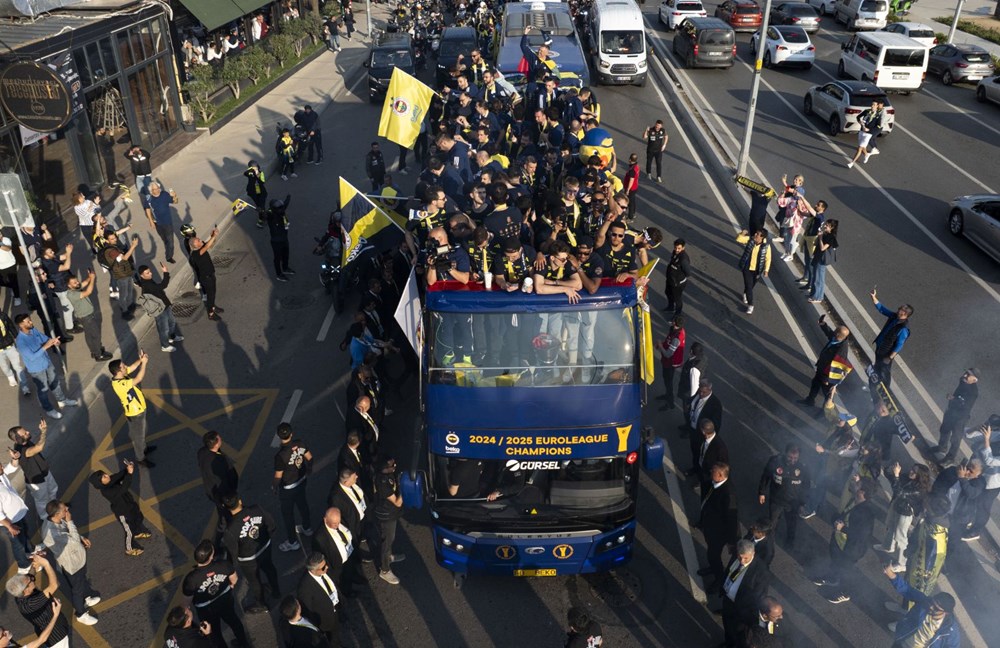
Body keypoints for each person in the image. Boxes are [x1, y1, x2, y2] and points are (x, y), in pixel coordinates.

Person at [812, 477, 876, 604]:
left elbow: (860, 535)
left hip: (851, 550)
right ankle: (832, 578)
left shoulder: (866, 513)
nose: (854, 484)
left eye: (858, 484)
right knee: (836, 563)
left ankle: (845, 592)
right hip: (840, 543)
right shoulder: (854, 500)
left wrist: (843, 528)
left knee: (846, 570)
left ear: (862, 492)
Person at [41, 500, 101, 626]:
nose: (67, 510)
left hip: (77, 559)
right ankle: (81, 614)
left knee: (81, 580)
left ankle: (87, 597)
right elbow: (73, 539)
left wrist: (82, 537)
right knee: (77, 589)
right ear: (57, 514)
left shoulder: (55, 520)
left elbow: (70, 533)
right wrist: (70, 521)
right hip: (71, 565)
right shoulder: (53, 533)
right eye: (64, 509)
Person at [181, 539, 249, 647]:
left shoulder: (191, 579)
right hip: (225, 602)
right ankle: (244, 644)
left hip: (206, 610)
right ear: (211, 557)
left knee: (214, 634)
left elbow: (186, 602)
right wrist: (229, 587)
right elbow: (234, 579)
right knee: (234, 622)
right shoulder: (223, 565)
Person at [222, 495, 280, 614]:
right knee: (270, 569)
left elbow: (232, 552)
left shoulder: (230, 530)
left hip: (248, 560)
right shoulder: (256, 509)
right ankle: (276, 591)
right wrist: (266, 539)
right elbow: (271, 525)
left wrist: (232, 566)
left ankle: (261, 603)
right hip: (265, 548)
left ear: (226, 507)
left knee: (254, 581)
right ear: (240, 501)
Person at [14, 314, 78, 420]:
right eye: (28, 321)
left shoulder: (33, 330)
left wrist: (53, 341)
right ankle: (49, 410)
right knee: (43, 390)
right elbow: (32, 357)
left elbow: (44, 338)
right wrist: (46, 346)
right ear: (21, 325)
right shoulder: (21, 342)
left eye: (30, 320)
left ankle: (62, 400)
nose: (31, 322)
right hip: (37, 370)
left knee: (55, 383)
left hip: (47, 362)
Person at [882, 567, 961, 648]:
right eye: (932, 603)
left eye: (936, 608)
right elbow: (907, 590)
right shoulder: (925, 602)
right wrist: (892, 575)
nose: (931, 607)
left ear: (946, 613)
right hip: (902, 641)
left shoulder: (950, 630)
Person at [876, 461, 930, 572]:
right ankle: (888, 546)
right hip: (897, 506)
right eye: (912, 469)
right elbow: (892, 479)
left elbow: (899, 492)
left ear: (920, 476)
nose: (911, 472)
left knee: (901, 538)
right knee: (890, 526)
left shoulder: (919, 490)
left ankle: (902, 563)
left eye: (914, 472)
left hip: (905, 513)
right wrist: (889, 469)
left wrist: (896, 475)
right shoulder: (908, 478)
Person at [5, 554, 70, 648]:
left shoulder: (20, 592)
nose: (32, 579)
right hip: (56, 637)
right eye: (31, 580)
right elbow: (54, 585)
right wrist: (46, 564)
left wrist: (36, 562)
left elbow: (31, 574)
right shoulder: (30, 604)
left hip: (55, 627)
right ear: (26, 590)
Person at [89, 461, 151, 555]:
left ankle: (138, 533)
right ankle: (129, 548)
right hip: (123, 513)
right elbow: (123, 489)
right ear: (100, 483)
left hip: (130, 505)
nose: (107, 475)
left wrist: (127, 469)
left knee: (138, 518)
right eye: (104, 477)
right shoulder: (106, 491)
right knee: (129, 531)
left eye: (105, 474)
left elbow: (118, 475)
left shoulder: (110, 481)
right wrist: (129, 474)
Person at [696, 462, 739, 594]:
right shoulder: (715, 484)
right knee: (712, 553)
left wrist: (731, 541)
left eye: (713, 471)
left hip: (718, 533)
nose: (711, 472)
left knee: (713, 556)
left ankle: (719, 578)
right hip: (711, 528)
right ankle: (713, 568)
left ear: (720, 475)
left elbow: (732, 520)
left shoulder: (728, 494)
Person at [719, 540, 770, 648]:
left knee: (738, 632)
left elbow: (759, 595)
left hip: (742, 609)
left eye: (746, 558)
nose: (742, 561)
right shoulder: (737, 557)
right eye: (740, 557)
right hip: (728, 600)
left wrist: (746, 611)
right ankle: (728, 642)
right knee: (727, 623)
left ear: (753, 553)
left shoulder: (761, 571)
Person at [109, 352, 157, 467]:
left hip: (139, 409)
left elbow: (132, 367)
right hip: (136, 413)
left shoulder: (121, 376)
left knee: (141, 432)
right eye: (123, 366)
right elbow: (138, 378)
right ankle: (140, 458)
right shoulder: (120, 384)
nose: (126, 367)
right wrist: (144, 364)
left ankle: (144, 448)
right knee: (139, 437)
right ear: (118, 371)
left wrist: (140, 360)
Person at [758, 444, 809, 547]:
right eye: (790, 457)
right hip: (776, 500)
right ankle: (769, 543)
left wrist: (802, 503)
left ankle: (790, 542)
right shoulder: (775, 461)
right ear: (785, 453)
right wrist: (762, 492)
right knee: (772, 523)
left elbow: (806, 486)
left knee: (791, 523)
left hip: (793, 502)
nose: (792, 460)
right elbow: (766, 476)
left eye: (795, 458)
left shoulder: (803, 467)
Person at [273, 423, 314, 551]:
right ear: (291, 434)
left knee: (288, 515)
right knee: (303, 504)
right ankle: (307, 527)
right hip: (301, 481)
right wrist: (308, 470)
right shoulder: (300, 444)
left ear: (279, 436)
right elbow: (309, 458)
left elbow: (278, 476)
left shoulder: (280, 456)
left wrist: (274, 487)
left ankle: (292, 541)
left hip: (288, 488)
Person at [798, 316, 850, 409]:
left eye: (835, 331)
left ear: (838, 334)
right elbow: (829, 333)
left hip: (827, 375)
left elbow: (836, 367)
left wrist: (827, 378)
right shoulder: (837, 339)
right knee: (815, 383)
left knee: (827, 393)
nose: (833, 332)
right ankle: (810, 400)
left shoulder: (841, 351)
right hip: (822, 368)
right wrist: (823, 324)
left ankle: (825, 411)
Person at [197, 430, 239, 547]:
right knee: (225, 519)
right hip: (223, 495)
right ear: (216, 443)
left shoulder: (202, 452)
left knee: (225, 517)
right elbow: (226, 480)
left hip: (212, 490)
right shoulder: (219, 461)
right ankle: (219, 544)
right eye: (219, 438)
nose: (221, 438)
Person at [9, 421, 57, 519]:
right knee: (42, 501)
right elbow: (38, 448)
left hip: (45, 472)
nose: (28, 432)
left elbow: (37, 445)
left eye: (26, 431)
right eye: (24, 433)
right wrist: (43, 432)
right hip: (36, 481)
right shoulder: (20, 450)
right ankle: (45, 517)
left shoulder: (26, 441)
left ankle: (55, 509)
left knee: (53, 490)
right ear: (17, 439)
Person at [933, 369, 979, 465]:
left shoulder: (973, 392)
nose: (965, 375)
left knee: (955, 438)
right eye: (966, 373)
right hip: (951, 411)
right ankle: (941, 447)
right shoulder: (963, 380)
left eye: (968, 375)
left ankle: (950, 457)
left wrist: (953, 399)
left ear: (975, 380)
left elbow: (965, 404)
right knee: (944, 430)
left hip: (960, 418)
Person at [869, 289, 912, 391]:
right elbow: (882, 309)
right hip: (880, 348)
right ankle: (873, 387)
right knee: (877, 368)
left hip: (886, 353)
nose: (898, 309)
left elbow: (899, 345)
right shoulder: (894, 317)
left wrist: (890, 357)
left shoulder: (903, 329)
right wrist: (874, 298)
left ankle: (884, 391)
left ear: (905, 313)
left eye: (900, 309)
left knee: (884, 372)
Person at [66, 271, 113, 361]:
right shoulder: (72, 294)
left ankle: (94, 351)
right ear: (69, 285)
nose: (77, 283)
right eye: (74, 282)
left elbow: (84, 283)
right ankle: (98, 355)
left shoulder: (75, 288)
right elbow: (88, 292)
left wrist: (90, 277)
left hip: (86, 317)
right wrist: (93, 279)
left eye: (77, 281)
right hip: (87, 318)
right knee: (96, 335)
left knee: (89, 335)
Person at [137, 263, 184, 352]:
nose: (151, 273)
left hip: (165, 305)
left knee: (172, 322)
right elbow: (163, 286)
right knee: (164, 329)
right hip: (159, 309)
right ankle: (165, 346)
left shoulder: (147, 280)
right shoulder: (147, 284)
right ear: (142, 275)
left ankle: (172, 336)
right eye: (147, 273)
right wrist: (165, 273)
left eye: (150, 271)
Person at [296, 552, 340, 644]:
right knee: (332, 639)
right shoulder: (305, 588)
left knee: (336, 633)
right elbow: (308, 611)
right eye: (323, 567)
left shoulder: (324, 571)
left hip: (335, 609)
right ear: (313, 570)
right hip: (325, 621)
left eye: (326, 564)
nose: (327, 567)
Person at [373, 456, 405, 585]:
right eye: (392, 466)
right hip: (386, 515)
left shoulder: (388, 475)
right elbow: (397, 502)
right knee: (387, 541)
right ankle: (385, 570)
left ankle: (389, 557)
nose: (395, 467)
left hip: (391, 513)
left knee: (390, 538)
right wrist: (405, 489)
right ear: (384, 468)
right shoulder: (382, 482)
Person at [0, 463, 32, 574]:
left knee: (25, 533)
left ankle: (29, 551)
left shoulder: (1, 476)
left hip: (18, 515)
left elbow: (10, 468)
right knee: (18, 544)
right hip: (10, 522)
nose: (2, 467)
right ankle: (23, 565)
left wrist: (14, 459)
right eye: (0, 467)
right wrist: (10, 526)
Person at [37, 244, 77, 333]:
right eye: (50, 252)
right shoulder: (49, 265)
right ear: (45, 256)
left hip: (63, 284)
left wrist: (68, 251)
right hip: (61, 288)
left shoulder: (51, 258)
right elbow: (66, 267)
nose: (53, 252)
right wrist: (68, 253)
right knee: (68, 308)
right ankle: (69, 327)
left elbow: (64, 256)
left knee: (71, 305)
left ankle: (72, 321)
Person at [101, 231, 140, 320]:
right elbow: (124, 258)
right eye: (112, 239)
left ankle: (131, 305)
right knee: (123, 294)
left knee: (129, 290)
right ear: (107, 240)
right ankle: (124, 311)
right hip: (121, 275)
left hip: (126, 271)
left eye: (115, 237)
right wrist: (133, 246)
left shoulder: (114, 246)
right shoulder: (110, 250)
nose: (115, 240)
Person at [189, 226, 222, 320]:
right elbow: (207, 246)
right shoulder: (196, 254)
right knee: (210, 295)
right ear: (195, 245)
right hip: (206, 278)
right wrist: (214, 236)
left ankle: (213, 307)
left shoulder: (201, 247)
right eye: (198, 241)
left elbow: (210, 245)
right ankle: (211, 313)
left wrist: (212, 237)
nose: (200, 240)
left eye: (199, 239)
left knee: (213, 293)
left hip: (211, 275)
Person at [735, 229, 770, 315]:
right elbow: (739, 239)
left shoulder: (766, 247)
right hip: (747, 268)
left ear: (762, 237)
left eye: (758, 234)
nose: (755, 235)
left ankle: (745, 293)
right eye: (756, 233)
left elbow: (768, 259)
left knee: (751, 286)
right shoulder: (750, 240)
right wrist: (742, 233)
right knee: (749, 286)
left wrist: (766, 270)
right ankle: (751, 305)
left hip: (757, 270)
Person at [144, 183, 179, 263]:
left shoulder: (164, 194)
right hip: (158, 223)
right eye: (154, 189)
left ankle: (169, 257)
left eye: (157, 188)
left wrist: (174, 196)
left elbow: (175, 202)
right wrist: (151, 221)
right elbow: (147, 209)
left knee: (170, 241)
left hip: (167, 222)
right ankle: (168, 248)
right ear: (151, 191)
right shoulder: (149, 198)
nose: (157, 190)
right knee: (165, 239)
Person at [847, 99, 886, 169]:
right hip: (861, 131)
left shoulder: (878, 115)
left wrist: (869, 130)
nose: (872, 106)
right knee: (862, 147)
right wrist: (860, 122)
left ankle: (852, 163)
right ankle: (866, 154)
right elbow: (858, 117)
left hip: (868, 134)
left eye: (874, 105)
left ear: (877, 106)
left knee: (859, 148)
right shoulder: (867, 111)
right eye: (872, 104)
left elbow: (878, 126)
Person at [0, 309, 31, 394]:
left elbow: (11, 326)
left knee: (18, 367)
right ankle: (10, 376)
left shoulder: (3, 316)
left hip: (10, 345)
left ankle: (25, 387)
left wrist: (17, 337)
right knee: (4, 367)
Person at [658, 314, 685, 410]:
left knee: (668, 383)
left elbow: (668, 354)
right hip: (670, 362)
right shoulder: (679, 330)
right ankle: (667, 396)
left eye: (673, 320)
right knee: (667, 381)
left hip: (670, 363)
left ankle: (670, 403)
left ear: (675, 323)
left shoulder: (676, 338)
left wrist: (660, 346)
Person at [266, 196, 296, 282]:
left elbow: (285, 204)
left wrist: (288, 197)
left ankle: (285, 268)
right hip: (276, 242)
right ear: (274, 209)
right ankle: (279, 274)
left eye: (282, 208)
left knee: (286, 255)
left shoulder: (281, 211)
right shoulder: (271, 216)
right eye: (280, 208)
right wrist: (261, 211)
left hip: (284, 239)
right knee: (277, 259)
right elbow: (266, 215)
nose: (282, 210)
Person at [663, 239, 690, 314]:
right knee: (668, 292)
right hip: (671, 280)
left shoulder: (683, 259)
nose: (677, 250)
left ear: (683, 248)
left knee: (677, 299)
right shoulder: (674, 253)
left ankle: (677, 315)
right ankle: (671, 307)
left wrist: (679, 278)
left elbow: (688, 272)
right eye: (675, 248)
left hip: (678, 283)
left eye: (679, 248)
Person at [244, 160, 268, 228]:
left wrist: (256, 174)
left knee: (260, 206)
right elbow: (245, 173)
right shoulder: (251, 173)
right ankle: (261, 220)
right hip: (255, 193)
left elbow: (262, 182)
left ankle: (262, 217)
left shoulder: (258, 173)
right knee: (261, 207)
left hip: (258, 192)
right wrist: (252, 171)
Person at [0, 233, 22, 306]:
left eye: (0, 234)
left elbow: (8, 249)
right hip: (1, 266)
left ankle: (17, 297)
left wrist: (0, 243)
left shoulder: (6, 240)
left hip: (10, 264)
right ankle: (12, 286)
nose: (0, 235)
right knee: (2, 282)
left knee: (14, 281)